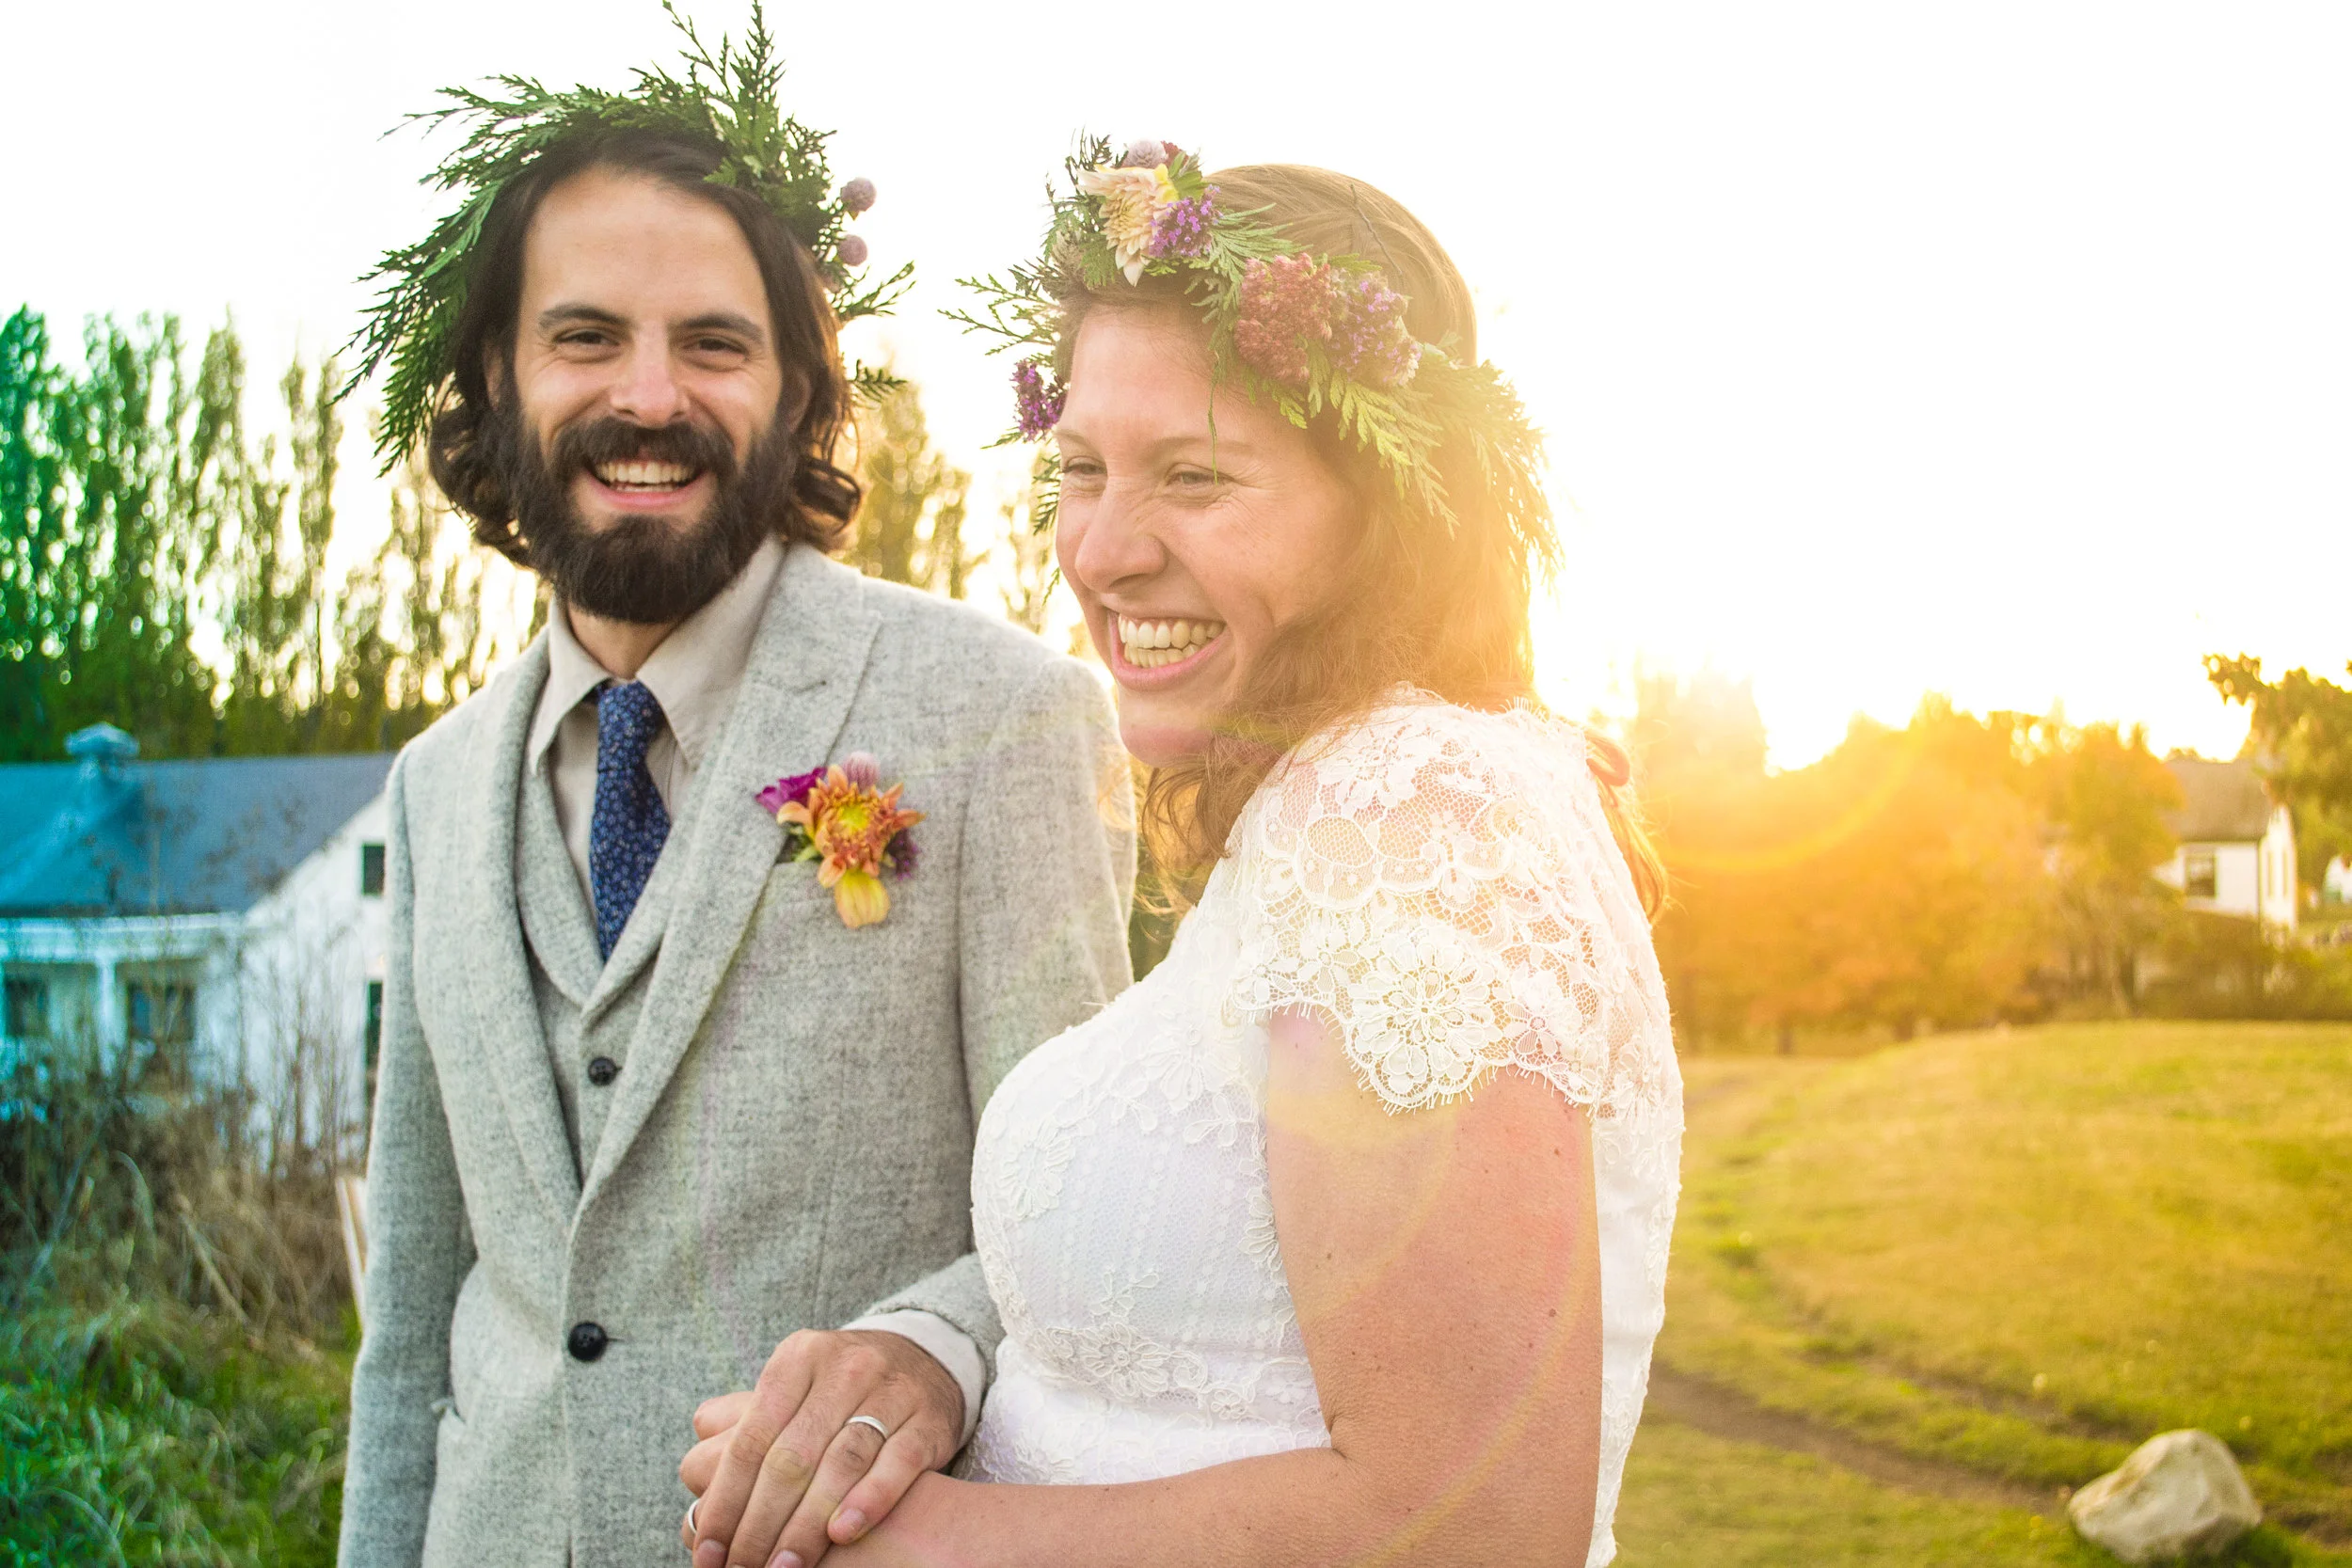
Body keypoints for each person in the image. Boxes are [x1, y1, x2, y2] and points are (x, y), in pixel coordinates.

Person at [683, 142, 1684, 1567]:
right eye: (1082, 468)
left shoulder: (1409, 812)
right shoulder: (1327, 806)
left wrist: (909, 1542)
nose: (1102, 550)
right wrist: (925, 1368)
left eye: (1196, 476)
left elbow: (1470, 1524)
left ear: (1389, 509)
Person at [337, 28, 1135, 1568]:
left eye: (713, 343)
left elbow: (1086, 1233)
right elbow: (413, 1316)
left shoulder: (1005, 718)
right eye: (584, 337)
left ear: (795, 387)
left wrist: (931, 1348)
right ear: (498, 376)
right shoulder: (431, 787)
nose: (651, 398)